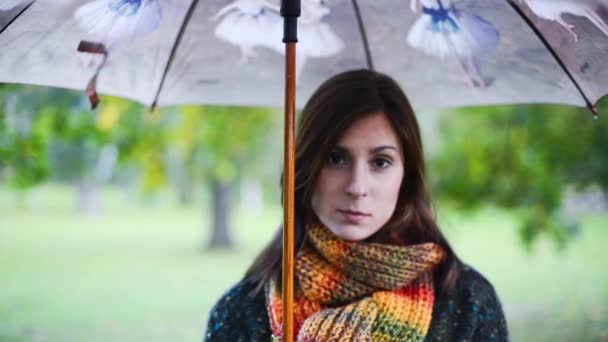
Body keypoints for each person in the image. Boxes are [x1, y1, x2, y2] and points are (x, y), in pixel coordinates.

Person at [204, 69, 508, 341]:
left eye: (380, 162)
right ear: (305, 168)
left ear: (407, 175)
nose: (356, 187)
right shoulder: (241, 311)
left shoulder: (468, 301)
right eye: (336, 159)